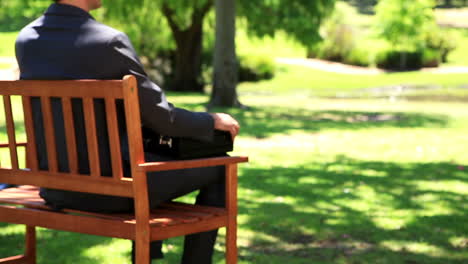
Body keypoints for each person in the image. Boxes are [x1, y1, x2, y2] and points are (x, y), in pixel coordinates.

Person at [15, 0, 240, 263]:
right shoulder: (109, 41)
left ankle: (149, 257)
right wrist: (211, 120)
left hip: (54, 188)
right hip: (114, 192)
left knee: (149, 163)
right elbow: (162, 118)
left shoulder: (27, 39)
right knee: (221, 166)